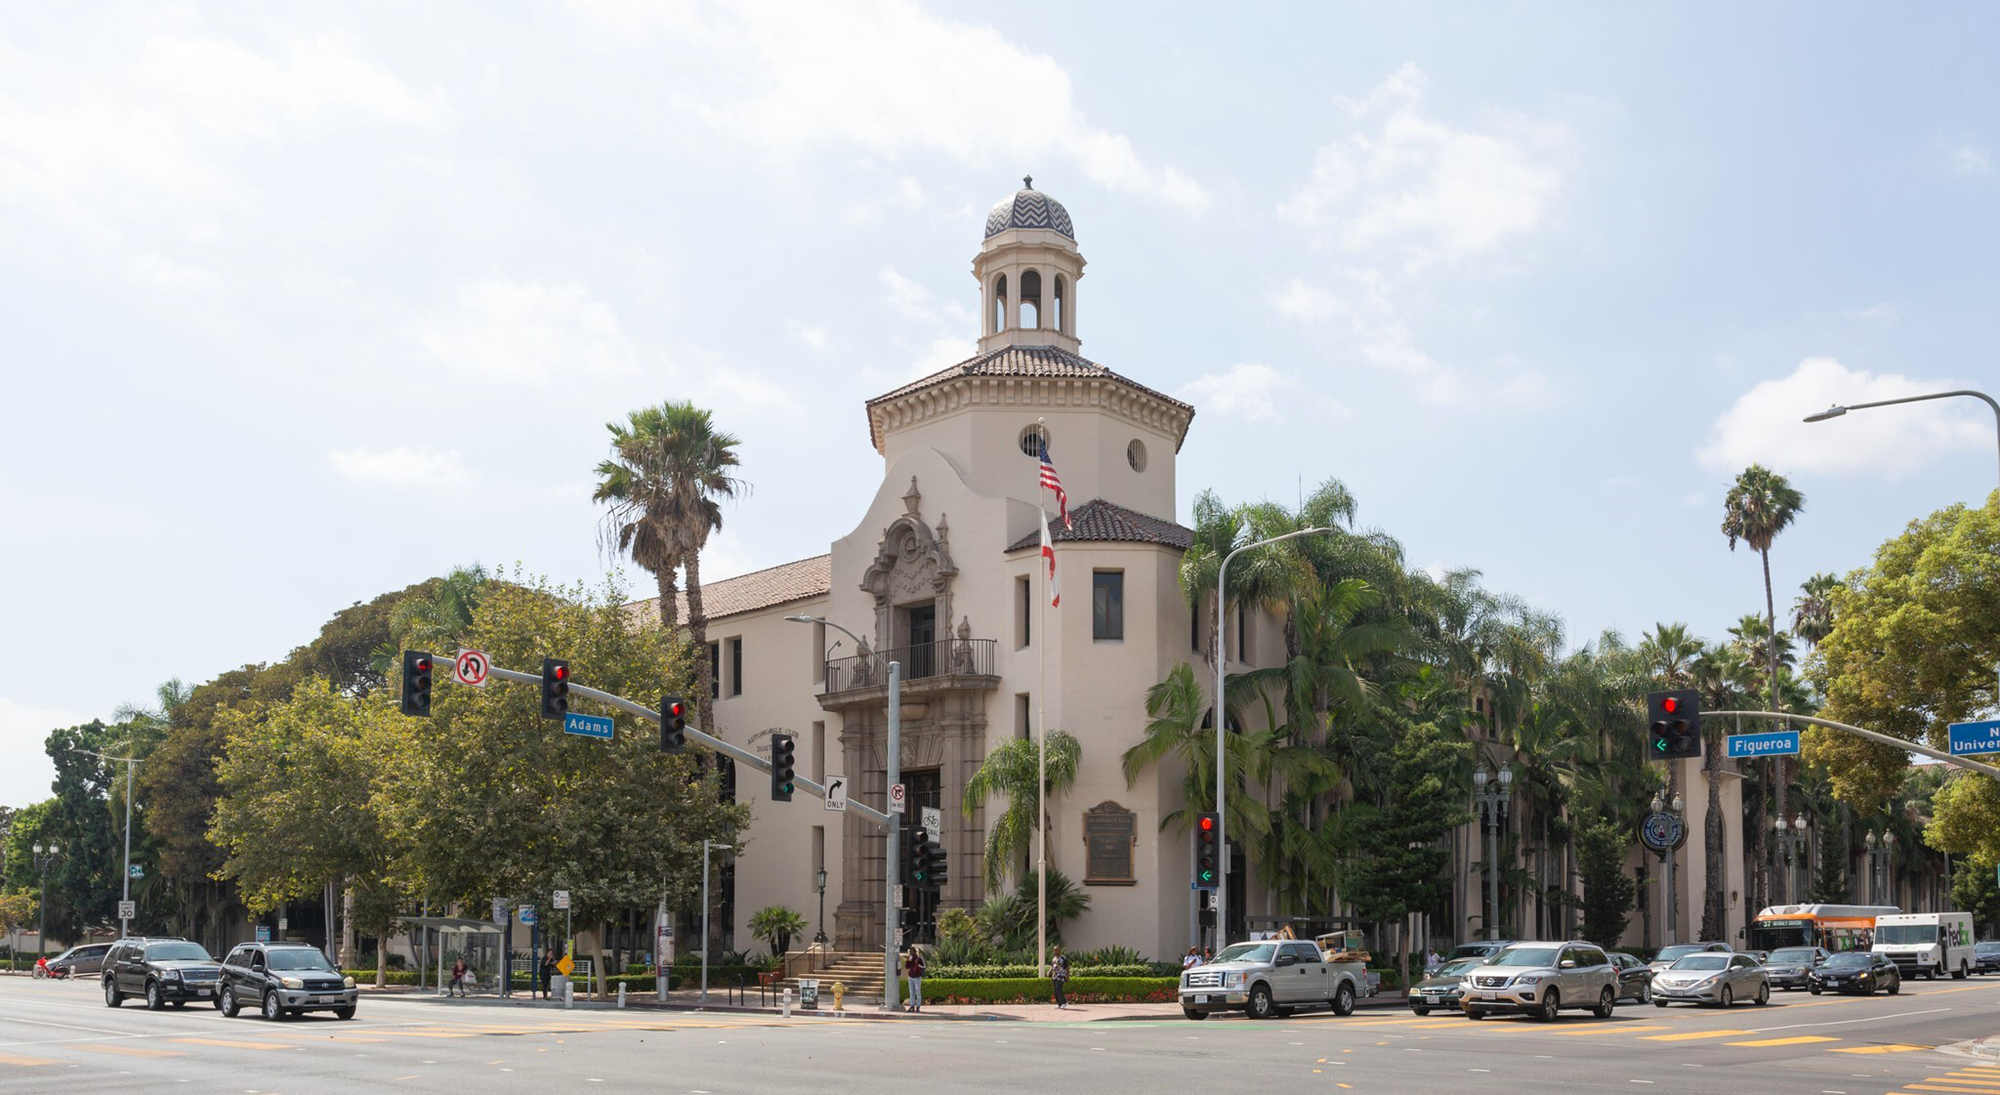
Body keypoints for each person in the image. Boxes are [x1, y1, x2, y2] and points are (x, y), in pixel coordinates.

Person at [904, 947, 926, 1013]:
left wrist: (918, 964)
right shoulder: (910, 958)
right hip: (911, 977)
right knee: (911, 993)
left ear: (914, 952)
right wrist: (907, 961)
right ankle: (912, 1006)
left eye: (911, 952)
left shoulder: (919, 958)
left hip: (917, 978)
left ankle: (918, 1007)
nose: (910, 953)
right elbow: (907, 967)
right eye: (909, 952)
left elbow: (924, 967)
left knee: (917, 992)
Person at [1050, 945, 1071, 1010]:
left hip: (1061, 976)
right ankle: (1059, 1003)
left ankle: (1064, 1002)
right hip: (1055, 975)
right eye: (1055, 950)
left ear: (1060, 950)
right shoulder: (1054, 958)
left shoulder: (1063, 958)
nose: (1056, 951)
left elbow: (1067, 968)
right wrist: (1049, 971)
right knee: (1055, 990)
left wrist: (1067, 976)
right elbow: (1052, 966)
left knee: (1058, 989)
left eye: (1057, 950)